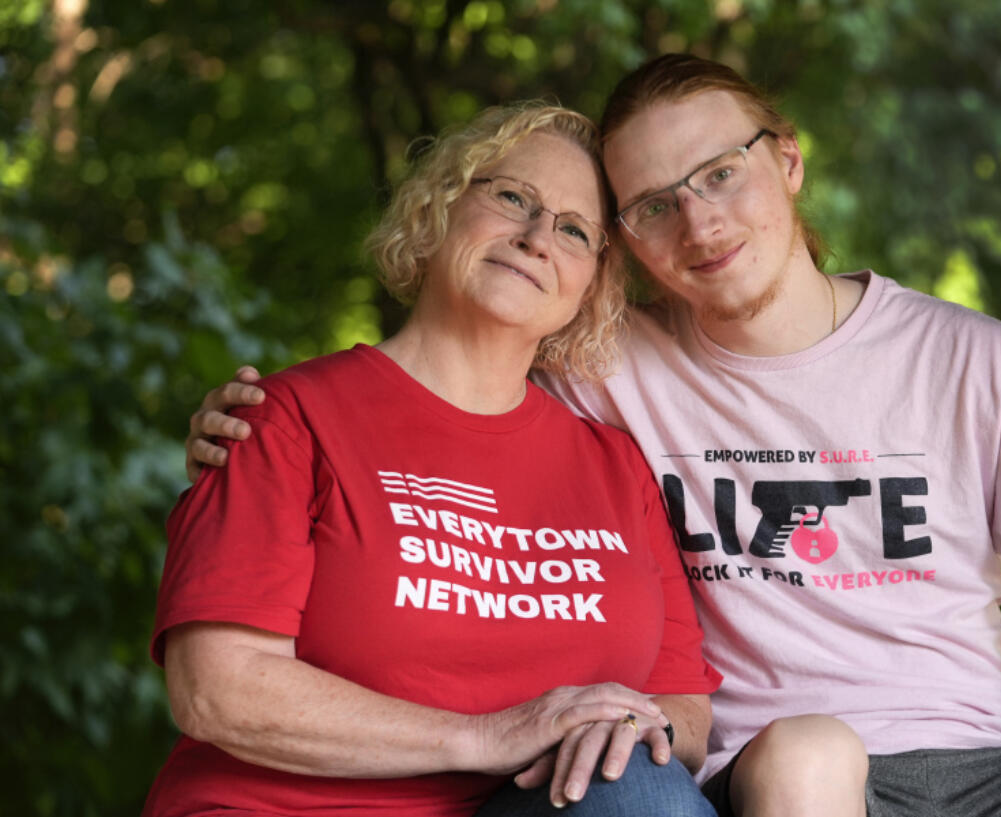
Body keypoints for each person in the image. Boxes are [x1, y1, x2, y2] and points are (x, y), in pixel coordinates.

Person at [186, 55, 1001, 817]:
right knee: (809, 754)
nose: (698, 221)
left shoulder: (971, 358)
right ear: (626, 250)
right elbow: (440, 380)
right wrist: (252, 421)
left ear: (785, 162)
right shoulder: (608, 368)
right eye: (649, 205)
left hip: (998, 771)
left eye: (720, 173)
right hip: (780, 775)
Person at [145, 100, 723, 817]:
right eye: (513, 197)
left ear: (592, 286)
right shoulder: (287, 419)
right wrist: (482, 736)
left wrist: (628, 728)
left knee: (644, 794)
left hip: (541, 808)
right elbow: (214, 689)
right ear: (441, 207)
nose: (538, 237)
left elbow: (684, 709)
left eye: (574, 230)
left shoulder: (616, 465)